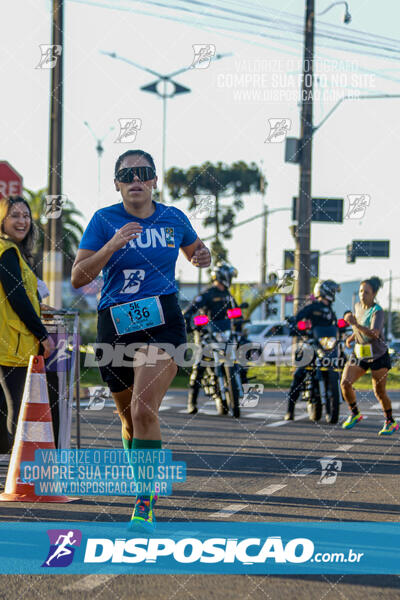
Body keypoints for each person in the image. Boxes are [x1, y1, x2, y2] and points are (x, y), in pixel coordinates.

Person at [71, 149, 211, 531]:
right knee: (128, 418)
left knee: (144, 409)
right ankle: (141, 483)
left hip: (163, 319)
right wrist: (113, 244)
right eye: (127, 174)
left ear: (154, 180)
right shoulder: (103, 220)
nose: (135, 179)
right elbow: (79, 277)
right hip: (115, 323)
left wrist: (203, 255)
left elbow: (196, 250)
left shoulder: (173, 218)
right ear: (117, 183)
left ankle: (144, 502)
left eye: (143, 172)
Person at [0, 196, 55, 452]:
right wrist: (42, 334)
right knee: (16, 408)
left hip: (9, 342)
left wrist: (38, 305)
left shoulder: (10, 252)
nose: (22, 221)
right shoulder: (7, 252)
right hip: (11, 345)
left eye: (26, 215)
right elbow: (16, 297)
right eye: (14, 216)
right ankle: (13, 473)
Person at [341, 277, 398, 436]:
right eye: (360, 291)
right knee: (345, 383)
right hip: (360, 353)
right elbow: (358, 327)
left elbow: (374, 334)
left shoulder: (378, 311)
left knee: (379, 392)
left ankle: (390, 422)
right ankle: (355, 413)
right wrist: (352, 337)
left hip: (378, 355)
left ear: (373, 294)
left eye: (366, 292)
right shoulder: (358, 306)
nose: (362, 295)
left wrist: (355, 324)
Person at [183, 262, 239, 415]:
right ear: (223, 276)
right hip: (206, 336)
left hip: (224, 334)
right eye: (229, 275)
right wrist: (193, 323)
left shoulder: (228, 295)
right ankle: (191, 403)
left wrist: (238, 320)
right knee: (199, 366)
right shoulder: (207, 295)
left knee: (238, 358)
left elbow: (235, 313)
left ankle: (236, 388)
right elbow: (189, 312)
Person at [284, 280, 340, 421]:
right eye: (332, 291)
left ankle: (336, 397)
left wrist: (342, 328)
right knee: (299, 373)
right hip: (312, 344)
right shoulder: (312, 307)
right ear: (324, 291)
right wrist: (294, 324)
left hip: (327, 346)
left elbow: (334, 326)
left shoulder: (330, 311)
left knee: (341, 363)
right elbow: (298, 318)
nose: (333, 293)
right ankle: (290, 410)